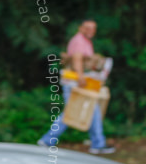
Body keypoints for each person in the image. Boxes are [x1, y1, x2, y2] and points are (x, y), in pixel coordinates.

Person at [38, 19, 115, 154]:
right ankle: (47, 140)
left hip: (80, 81)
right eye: (88, 28)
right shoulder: (79, 40)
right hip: (75, 82)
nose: (91, 31)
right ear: (81, 28)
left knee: (92, 110)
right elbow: (77, 59)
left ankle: (98, 143)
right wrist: (80, 76)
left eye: (93, 28)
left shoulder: (86, 41)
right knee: (71, 113)